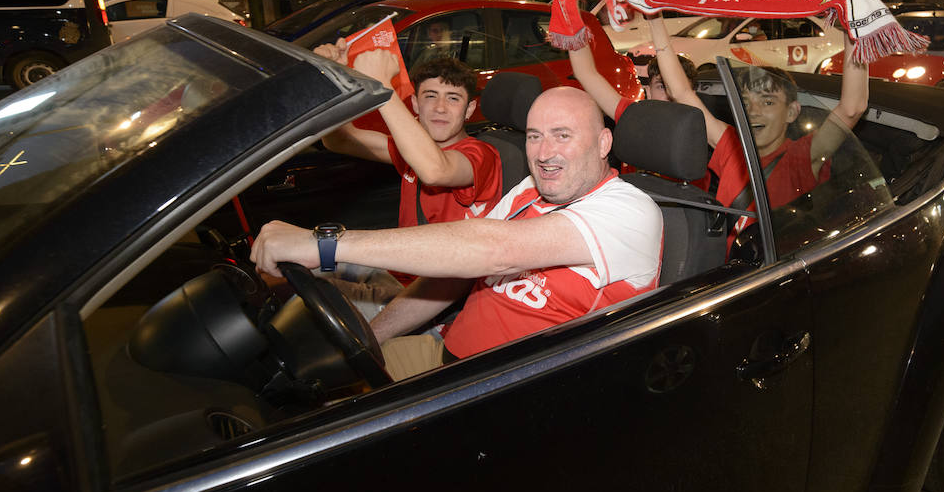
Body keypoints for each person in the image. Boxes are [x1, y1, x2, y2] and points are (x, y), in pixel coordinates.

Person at [251, 87, 664, 380]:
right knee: (309, 377)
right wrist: (368, 340)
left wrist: (325, 244)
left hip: (504, 391)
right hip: (445, 358)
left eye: (563, 135)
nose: (543, 153)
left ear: (604, 142)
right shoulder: (529, 190)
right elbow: (453, 274)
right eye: (535, 136)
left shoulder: (630, 211)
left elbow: (494, 250)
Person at [643, 0, 870, 238]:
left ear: (792, 112)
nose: (753, 111)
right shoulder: (731, 147)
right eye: (746, 101)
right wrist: (654, 16)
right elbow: (681, 92)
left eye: (768, 101)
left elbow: (852, 107)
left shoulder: (801, 157)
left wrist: (853, 13)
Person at [310, 49, 504, 315]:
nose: (439, 108)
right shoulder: (413, 151)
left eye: (453, 98)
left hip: (429, 297)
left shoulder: (480, 155)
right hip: (397, 274)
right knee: (306, 270)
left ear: (469, 109)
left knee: (311, 307)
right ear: (415, 104)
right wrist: (332, 78)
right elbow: (338, 140)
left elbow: (436, 170)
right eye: (430, 96)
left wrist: (382, 88)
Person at [562, 0, 698, 122]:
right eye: (661, 87)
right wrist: (571, 7)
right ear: (648, 91)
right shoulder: (634, 118)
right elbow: (585, 73)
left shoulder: (704, 131)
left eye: (676, 87)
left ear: (693, 94)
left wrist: (653, 11)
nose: (671, 93)